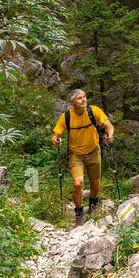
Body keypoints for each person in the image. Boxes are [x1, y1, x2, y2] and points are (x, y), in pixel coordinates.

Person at [51, 89, 115, 227]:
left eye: (84, 97)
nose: (84, 100)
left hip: (93, 151)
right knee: (77, 183)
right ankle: (79, 213)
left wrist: (110, 135)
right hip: (76, 154)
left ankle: (93, 205)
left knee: (95, 181)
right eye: (80, 98)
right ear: (73, 102)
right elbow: (55, 134)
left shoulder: (94, 111)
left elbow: (108, 125)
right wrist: (56, 139)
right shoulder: (67, 116)